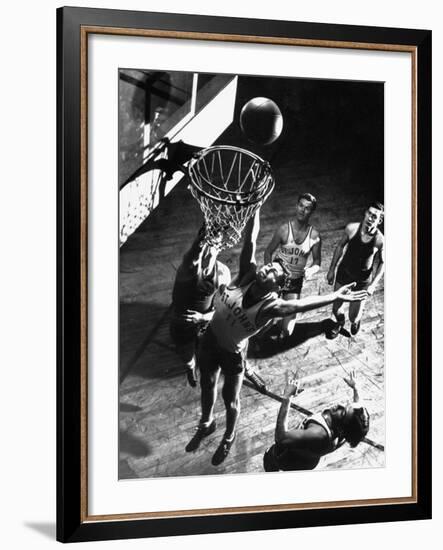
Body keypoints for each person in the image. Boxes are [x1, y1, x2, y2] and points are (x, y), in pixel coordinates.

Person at [185, 209, 367, 466]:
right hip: (211, 340)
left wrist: (335, 297)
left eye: (273, 272)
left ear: (276, 286)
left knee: (230, 399)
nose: (267, 267)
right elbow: (250, 239)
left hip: (232, 352)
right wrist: (256, 208)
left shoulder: (272, 307)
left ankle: (229, 434)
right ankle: (207, 423)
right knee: (207, 384)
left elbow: (301, 306)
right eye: (269, 264)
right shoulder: (247, 274)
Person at [263, 369, 369, 471]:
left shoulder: (318, 433)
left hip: (288, 458)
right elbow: (357, 408)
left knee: (271, 460)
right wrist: (356, 387)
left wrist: (288, 397)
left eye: (343, 412)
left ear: (343, 426)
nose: (340, 405)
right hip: (309, 461)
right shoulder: (351, 429)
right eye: (347, 404)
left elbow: (281, 438)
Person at [170, 225, 230, 387]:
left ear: (221, 246)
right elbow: (193, 255)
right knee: (187, 357)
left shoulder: (223, 272)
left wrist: (203, 317)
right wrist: (201, 240)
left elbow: (227, 309)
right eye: (206, 244)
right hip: (182, 323)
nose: (209, 249)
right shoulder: (188, 268)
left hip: (205, 320)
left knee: (212, 350)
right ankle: (190, 369)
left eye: (214, 244)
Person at [264, 193, 321, 340]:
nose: (302, 210)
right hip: (278, 276)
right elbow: (268, 251)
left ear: (311, 211)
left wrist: (311, 270)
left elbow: (317, 262)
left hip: (295, 282)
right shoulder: (284, 229)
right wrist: (269, 272)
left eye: (307, 208)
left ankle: (278, 325)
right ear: (297, 206)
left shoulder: (314, 236)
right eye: (301, 205)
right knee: (263, 318)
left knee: (288, 331)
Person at [326, 202, 385, 337]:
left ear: (379, 220)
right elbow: (340, 246)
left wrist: (373, 285)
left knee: (354, 316)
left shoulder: (380, 240)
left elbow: (383, 262)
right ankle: (340, 323)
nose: (370, 218)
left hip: (362, 281)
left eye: (374, 216)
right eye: (369, 214)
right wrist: (331, 269)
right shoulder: (352, 229)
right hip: (344, 274)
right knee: (336, 309)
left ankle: (355, 321)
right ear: (365, 213)